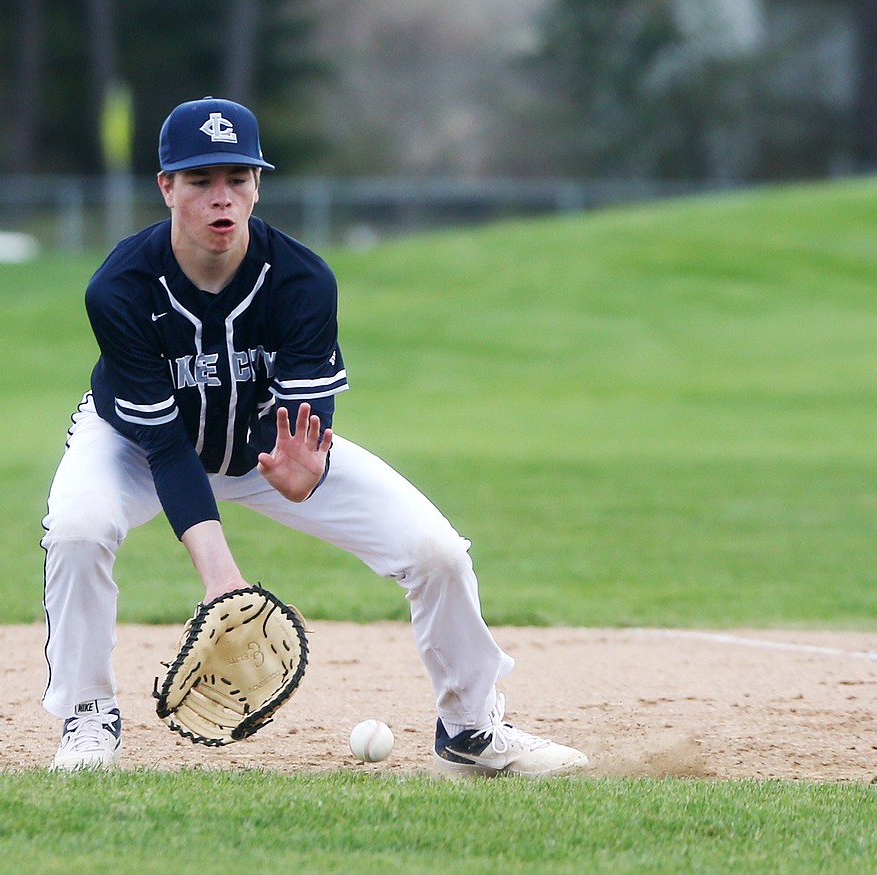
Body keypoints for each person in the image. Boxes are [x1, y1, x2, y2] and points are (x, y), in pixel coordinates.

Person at [40, 96, 588, 777]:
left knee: (437, 551)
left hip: (259, 448)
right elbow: (169, 448)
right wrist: (224, 583)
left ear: (258, 186)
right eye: (201, 180)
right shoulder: (119, 288)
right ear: (166, 188)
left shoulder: (300, 279)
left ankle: (471, 727)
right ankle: (88, 714)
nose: (222, 198)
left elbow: (305, 417)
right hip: (135, 446)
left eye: (237, 178)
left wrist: (311, 456)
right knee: (78, 527)